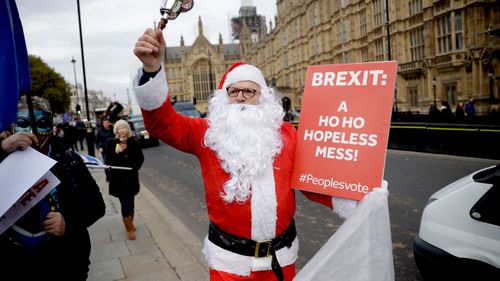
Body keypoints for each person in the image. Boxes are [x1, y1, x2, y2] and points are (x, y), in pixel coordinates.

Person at [133, 28, 357, 281]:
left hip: (281, 262)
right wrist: (152, 69)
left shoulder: (286, 134)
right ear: (224, 96)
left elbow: (311, 180)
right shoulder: (207, 133)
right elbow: (162, 124)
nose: (240, 97)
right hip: (229, 266)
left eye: (249, 91)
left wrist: (355, 195)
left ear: (262, 97)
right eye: (234, 91)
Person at [0, 96, 106, 281]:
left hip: (66, 263)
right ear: (12, 127)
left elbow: (97, 204)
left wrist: (68, 222)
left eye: (41, 123)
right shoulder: (3, 160)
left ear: (52, 126)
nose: (32, 132)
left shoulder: (70, 161)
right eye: (23, 123)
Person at [105, 119, 144, 240]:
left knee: (131, 202)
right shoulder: (112, 143)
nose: (122, 130)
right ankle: (129, 229)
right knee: (125, 203)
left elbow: (140, 158)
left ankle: (130, 222)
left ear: (128, 129)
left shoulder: (133, 142)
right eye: (120, 128)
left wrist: (134, 168)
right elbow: (108, 162)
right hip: (119, 180)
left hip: (131, 178)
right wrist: (117, 152)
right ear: (116, 130)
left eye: (124, 128)